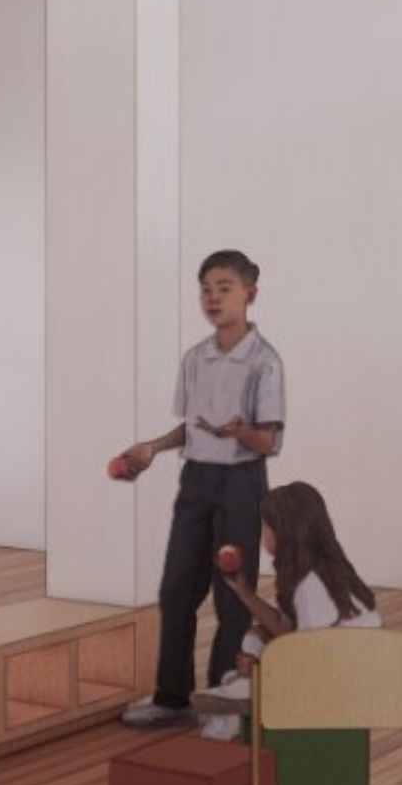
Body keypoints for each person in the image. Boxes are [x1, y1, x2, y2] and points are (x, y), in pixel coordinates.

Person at [111, 250, 286, 730]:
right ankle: (173, 698)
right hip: (196, 482)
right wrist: (152, 448)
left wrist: (240, 432)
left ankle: (223, 706)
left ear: (249, 294)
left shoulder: (264, 362)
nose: (212, 297)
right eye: (206, 288)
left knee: (233, 597)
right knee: (175, 591)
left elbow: (268, 440)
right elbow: (191, 428)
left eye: (224, 287)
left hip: (241, 484)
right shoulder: (195, 359)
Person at [192, 479, 375, 740]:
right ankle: (239, 700)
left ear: (285, 531)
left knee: (242, 674)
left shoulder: (310, 586)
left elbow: (308, 658)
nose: (262, 532)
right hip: (353, 667)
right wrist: (242, 590)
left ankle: (237, 710)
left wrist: (261, 668)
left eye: (266, 526)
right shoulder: (325, 571)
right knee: (255, 637)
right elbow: (285, 626)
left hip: (338, 681)